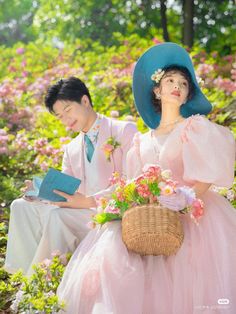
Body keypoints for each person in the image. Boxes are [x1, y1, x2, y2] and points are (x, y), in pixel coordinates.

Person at [57, 43, 236, 313]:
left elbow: (206, 177)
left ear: (187, 95)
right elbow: (129, 188)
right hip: (154, 220)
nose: (177, 86)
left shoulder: (194, 127)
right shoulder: (141, 142)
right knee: (112, 243)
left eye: (184, 84)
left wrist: (184, 198)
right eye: (170, 81)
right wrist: (85, 202)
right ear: (157, 90)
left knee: (190, 273)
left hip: (196, 215)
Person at [4, 77, 137, 275]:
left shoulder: (123, 130)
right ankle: (22, 276)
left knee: (59, 216)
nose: (66, 120)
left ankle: (44, 278)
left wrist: (89, 201)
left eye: (67, 110)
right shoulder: (71, 148)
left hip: (111, 213)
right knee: (21, 206)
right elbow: (65, 191)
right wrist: (39, 192)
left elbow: (132, 183)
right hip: (78, 213)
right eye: (59, 116)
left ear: (85, 101)